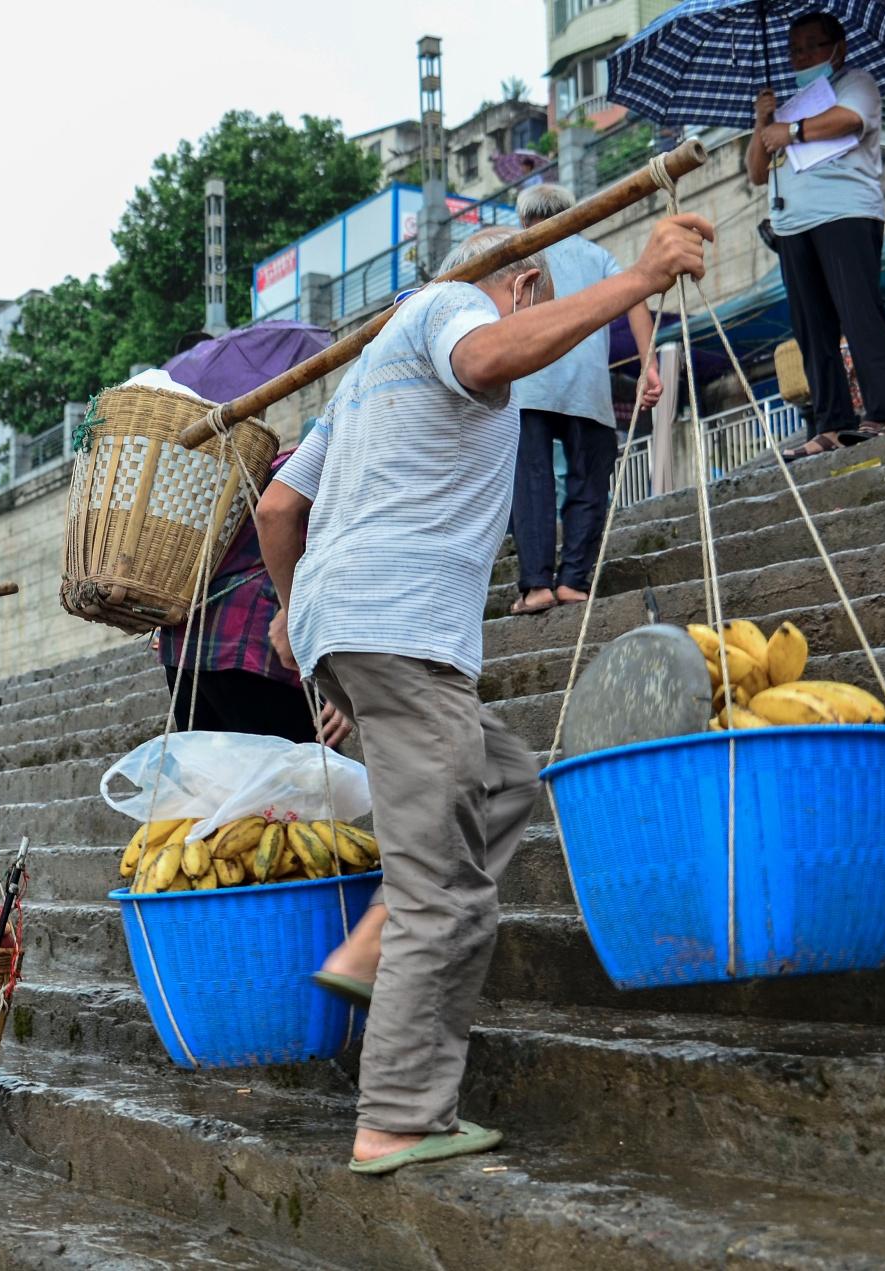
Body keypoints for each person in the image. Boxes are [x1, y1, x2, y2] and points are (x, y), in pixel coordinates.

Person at [254, 214, 712, 1174]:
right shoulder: (459, 307)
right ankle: (399, 1116)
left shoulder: (370, 363)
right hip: (401, 629)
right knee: (448, 895)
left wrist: (304, 621)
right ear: (529, 282)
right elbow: (496, 349)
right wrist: (638, 278)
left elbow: (279, 506)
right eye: (536, 295)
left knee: (505, 773)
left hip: (358, 625)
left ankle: (373, 946)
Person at [746, 12, 885, 460]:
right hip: (793, 225)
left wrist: (791, 130)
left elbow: (848, 121)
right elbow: (757, 173)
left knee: (859, 314)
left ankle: (882, 414)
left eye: (813, 46)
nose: (802, 56)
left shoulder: (856, 84)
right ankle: (831, 422)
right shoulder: (786, 103)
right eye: (795, 49)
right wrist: (764, 124)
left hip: (847, 214)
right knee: (812, 328)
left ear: (839, 47)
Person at [506, 183, 662, 615]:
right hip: (587, 388)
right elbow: (636, 296)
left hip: (529, 382)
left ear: (525, 220)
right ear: (572, 214)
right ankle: (573, 580)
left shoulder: (517, 250)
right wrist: (649, 364)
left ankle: (537, 586)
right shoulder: (597, 256)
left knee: (531, 482)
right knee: (589, 480)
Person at [156, 449, 351, 747]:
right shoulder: (334, 458)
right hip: (257, 645)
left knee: (220, 786)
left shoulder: (258, 466)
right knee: (298, 785)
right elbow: (276, 514)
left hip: (187, 644)